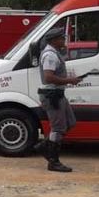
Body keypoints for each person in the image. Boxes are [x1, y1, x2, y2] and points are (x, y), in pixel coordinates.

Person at [37, 27, 82, 172]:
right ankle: (53, 161)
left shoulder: (55, 53)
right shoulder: (50, 55)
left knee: (70, 122)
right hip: (52, 95)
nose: (64, 40)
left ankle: (44, 146)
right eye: (61, 38)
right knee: (58, 128)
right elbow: (48, 77)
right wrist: (70, 80)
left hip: (57, 94)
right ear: (54, 40)